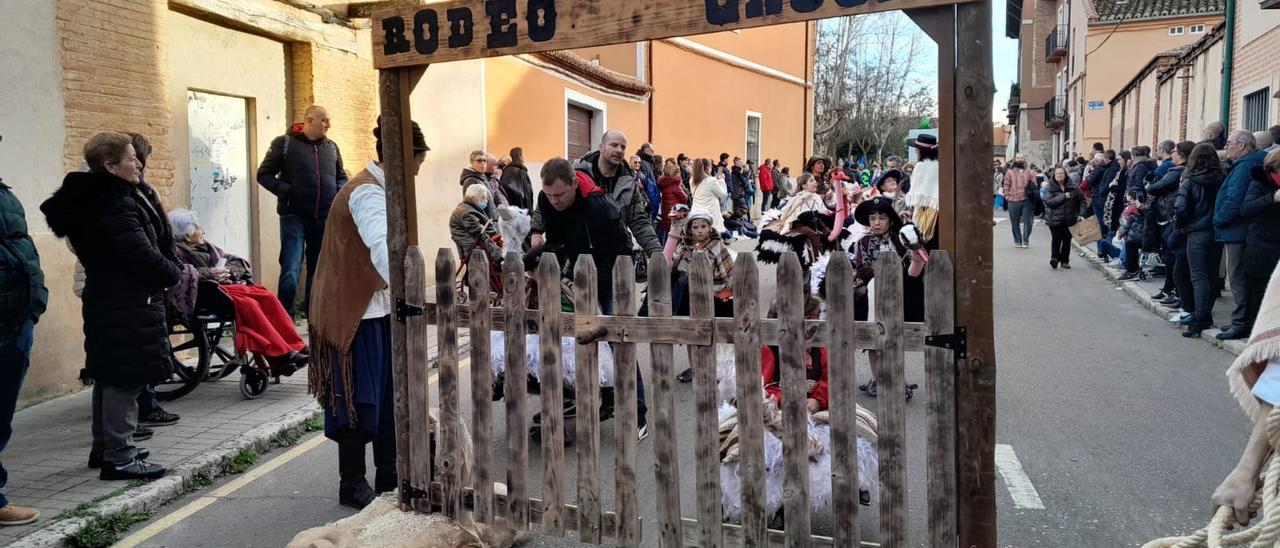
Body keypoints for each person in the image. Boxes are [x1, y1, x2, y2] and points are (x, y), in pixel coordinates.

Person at [42, 132, 181, 480]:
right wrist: (173, 273)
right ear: (109, 166)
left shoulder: (99, 197)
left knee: (108, 373)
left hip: (109, 296)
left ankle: (105, 448)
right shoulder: (114, 203)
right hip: (127, 299)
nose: (138, 163)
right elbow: (138, 253)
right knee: (125, 376)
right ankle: (120, 457)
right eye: (131, 158)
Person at [309, 119, 428, 509]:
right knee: (356, 398)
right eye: (417, 162)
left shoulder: (383, 189)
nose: (419, 170)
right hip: (352, 311)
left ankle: (389, 473)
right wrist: (410, 287)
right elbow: (383, 246)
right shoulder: (366, 194)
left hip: (376, 308)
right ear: (402, 159)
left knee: (387, 395)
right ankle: (352, 482)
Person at [527, 158, 648, 438]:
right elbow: (556, 239)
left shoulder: (602, 209)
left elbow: (621, 256)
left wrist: (588, 281)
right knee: (572, 341)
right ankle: (592, 402)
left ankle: (638, 413)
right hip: (576, 269)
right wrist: (529, 261)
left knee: (619, 342)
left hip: (610, 275)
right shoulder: (547, 200)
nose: (554, 201)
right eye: (549, 195)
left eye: (560, 195)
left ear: (574, 184)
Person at [168, 209, 309, 375]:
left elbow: (236, 261)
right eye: (198, 228)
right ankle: (279, 355)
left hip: (226, 287)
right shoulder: (176, 251)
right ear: (186, 235)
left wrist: (228, 270)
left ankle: (295, 345)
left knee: (266, 295)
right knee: (249, 304)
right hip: (206, 292)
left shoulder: (207, 246)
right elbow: (180, 272)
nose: (203, 231)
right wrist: (211, 272)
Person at [256, 105, 348, 318]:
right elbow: (264, 174)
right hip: (293, 216)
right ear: (309, 121)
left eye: (328, 120)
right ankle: (284, 322)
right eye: (324, 120)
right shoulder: (284, 144)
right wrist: (287, 192)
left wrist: (337, 193)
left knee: (317, 272)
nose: (328, 125)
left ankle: (313, 318)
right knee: (291, 269)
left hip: (322, 217)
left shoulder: (331, 147)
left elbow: (340, 176)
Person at [0, 135, 48, 525]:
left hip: (16, 318)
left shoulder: (4, 194)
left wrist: (36, 300)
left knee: (2, 413)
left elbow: (22, 250)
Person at [849, 196, 926, 398]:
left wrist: (916, 257)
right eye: (872, 218)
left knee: (895, 338)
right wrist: (883, 273)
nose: (876, 222)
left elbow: (913, 272)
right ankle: (876, 377)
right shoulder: (863, 243)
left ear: (890, 220)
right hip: (871, 298)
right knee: (874, 338)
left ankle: (898, 378)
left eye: (881, 218)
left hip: (899, 296)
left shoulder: (901, 241)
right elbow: (862, 270)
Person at [669, 209, 736, 383]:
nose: (699, 230)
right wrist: (681, 256)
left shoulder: (716, 245)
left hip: (714, 296)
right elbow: (673, 265)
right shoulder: (683, 246)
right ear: (690, 229)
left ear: (709, 228)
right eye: (696, 227)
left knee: (709, 333)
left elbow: (726, 270)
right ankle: (695, 367)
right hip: (690, 297)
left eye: (703, 226)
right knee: (692, 334)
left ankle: (711, 367)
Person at [1215, 131, 1269, 340]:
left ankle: (1242, 323)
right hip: (1241, 230)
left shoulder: (1246, 166)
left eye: (1229, 143)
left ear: (1243, 146)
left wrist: (1217, 219)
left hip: (1237, 230)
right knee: (1241, 278)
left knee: (1238, 278)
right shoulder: (1248, 164)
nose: (1227, 146)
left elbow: (1234, 199)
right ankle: (1242, 320)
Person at [1174, 143, 1226, 337]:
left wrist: (1180, 227)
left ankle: (1200, 317)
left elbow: (1181, 208)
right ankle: (1205, 314)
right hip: (1217, 230)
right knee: (1212, 274)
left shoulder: (1189, 181)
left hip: (1196, 231)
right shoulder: (1223, 178)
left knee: (1198, 276)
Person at [1236, 149, 1280, 340]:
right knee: (1258, 290)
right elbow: (1246, 209)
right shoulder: (1261, 182)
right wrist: (1272, 199)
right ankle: (1253, 331)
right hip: (1261, 245)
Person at [1150, 141, 1195, 307]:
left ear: (1182, 154)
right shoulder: (1176, 171)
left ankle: (1176, 293)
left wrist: (1149, 185)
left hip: (1173, 218)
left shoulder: (1179, 172)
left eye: (1174, 151)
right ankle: (1171, 289)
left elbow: (1155, 187)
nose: (1172, 154)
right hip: (1169, 216)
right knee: (1171, 257)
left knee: (1174, 257)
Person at [1043, 166, 1089, 269]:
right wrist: (1063, 196)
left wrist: (1081, 214)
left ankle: (1064, 260)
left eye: (1062, 173)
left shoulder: (1074, 187)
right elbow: (1049, 202)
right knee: (1056, 239)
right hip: (1054, 218)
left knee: (1067, 240)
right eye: (1058, 174)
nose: (1060, 175)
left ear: (1065, 175)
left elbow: (1082, 201)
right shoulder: (1050, 187)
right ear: (1054, 176)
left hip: (1070, 218)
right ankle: (1054, 258)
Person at [449, 184, 504, 264]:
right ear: (473, 198)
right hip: (474, 248)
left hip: (477, 246)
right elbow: (480, 236)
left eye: (486, 198)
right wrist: (498, 254)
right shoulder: (467, 212)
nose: (486, 200)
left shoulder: (470, 208)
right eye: (483, 198)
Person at [903, 134, 942, 245]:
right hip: (938, 209)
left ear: (920, 151)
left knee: (923, 242)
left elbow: (917, 194)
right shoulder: (939, 164)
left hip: (925, 211)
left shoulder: (921, 165)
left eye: (916, 149)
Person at [690, 158, 730, 236]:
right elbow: (724, 195)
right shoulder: (711, 180)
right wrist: (721, 180)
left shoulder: (692, 180)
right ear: (707, 167)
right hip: (710, 215)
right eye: (711, 166)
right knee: (713, 240)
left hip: (697, 213)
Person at [1002, 159, 1035, 248]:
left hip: (1027, 200)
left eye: (1022, 159)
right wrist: (1007, 196)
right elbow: (1006, 185)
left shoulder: (1030, 172)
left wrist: (1032, 194)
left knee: (1028, 221)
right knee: (1014, 222)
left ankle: (1025, 240)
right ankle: (1017, 240)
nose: (1020, 161)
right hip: (1013, 200)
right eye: (1018, 159)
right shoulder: (1009, 172)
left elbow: (1034, 185)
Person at [657, 161, 689, 245]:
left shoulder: (665, 184)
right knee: (675, 239)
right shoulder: (675, 186)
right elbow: (685, 198)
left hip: (666, 214)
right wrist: (681, 186)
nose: (680, 175)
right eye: (679, 173)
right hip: (674, 216)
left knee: (668, 237)